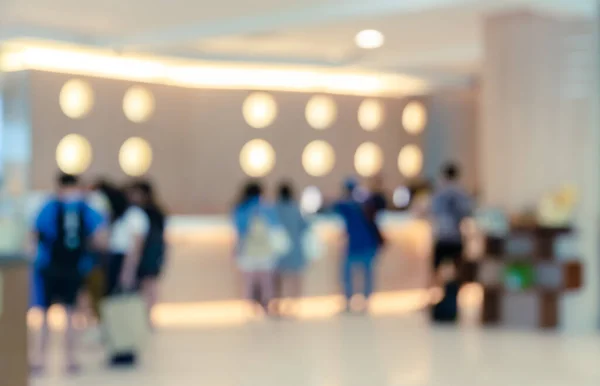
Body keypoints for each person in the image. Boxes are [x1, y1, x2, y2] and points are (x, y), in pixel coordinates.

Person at [31, 173, 107, 374]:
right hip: (74, 267)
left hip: (50, 267)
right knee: (70, 314)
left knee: (46, 315)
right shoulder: (85, 208)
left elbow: (35, 233)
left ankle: (40, 360)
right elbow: (100, 237)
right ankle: (70, 360)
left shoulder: (50, 206)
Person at [430, 163, 473, 322]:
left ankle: (437, 302)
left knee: (436, 273)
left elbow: (431, 211)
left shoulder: (439, 192)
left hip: (441, 237)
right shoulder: (461, 192)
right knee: (457, 273)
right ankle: (452, 303)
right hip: (455, 238)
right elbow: (467, 212)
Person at [232, 181, 283, 314]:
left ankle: (251, 308)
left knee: (249, 282)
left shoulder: (241, 209)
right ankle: (266, 305)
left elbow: (239, 231)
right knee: (266, 282)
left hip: (248, 251)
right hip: (265, 252)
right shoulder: (266, 208)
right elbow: (276, 228)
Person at [333, 178, 380, 313]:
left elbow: (335, 207)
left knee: (348, 273)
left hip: (355, 245)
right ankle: (365, 301)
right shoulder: (365, 203)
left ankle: (349, 301)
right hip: (368, 244)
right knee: (366, 273)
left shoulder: (347, 205)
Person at [127, 180, 167, 325]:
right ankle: (143, 316)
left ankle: (149, 315)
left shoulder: (150, 212)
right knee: (144, 285)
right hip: (147, 251)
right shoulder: (137, 211)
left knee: (150, 284)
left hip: (150, 251)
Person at [273, 182, 308, 316]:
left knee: (279, 280)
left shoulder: (274, 208)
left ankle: (278, 304)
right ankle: (293, 305)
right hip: (295, 249)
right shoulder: (295, 209)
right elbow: (305, 226)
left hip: (278, 251)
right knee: (294, 279)